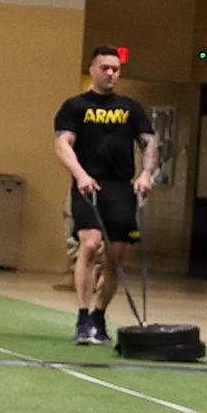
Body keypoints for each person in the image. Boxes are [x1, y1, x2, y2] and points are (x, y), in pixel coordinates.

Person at [53, 46, 157, 344]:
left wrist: (146, 173)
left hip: (121, 188)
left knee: (116, 257)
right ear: (93, 69)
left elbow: (148, 143)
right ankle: (83, 317)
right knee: (90, 244)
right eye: (105, 68)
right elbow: (63, 145)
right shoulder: (75, 106)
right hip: (89, 186)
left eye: (115, 69)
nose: (111, 73)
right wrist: (81, 175)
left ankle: (100, 314)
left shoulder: (131, 108)